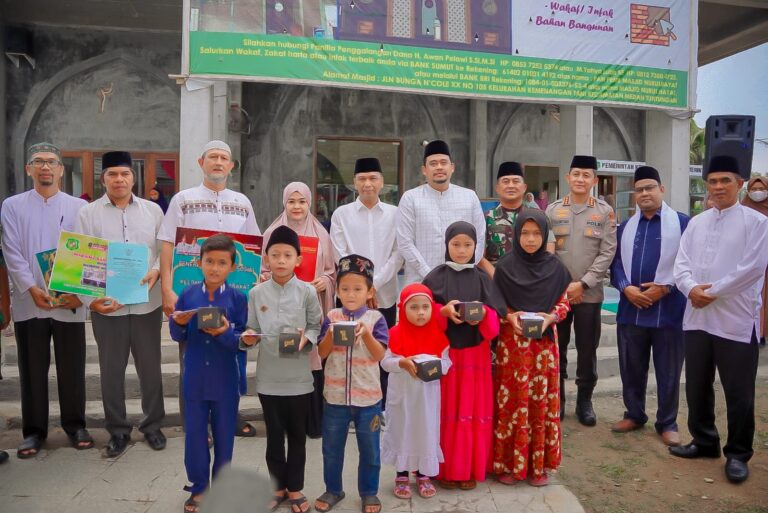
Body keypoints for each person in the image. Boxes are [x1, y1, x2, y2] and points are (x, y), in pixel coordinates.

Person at [671, 155, 768, 484]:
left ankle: (738, 453)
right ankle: (704, 441)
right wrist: (689, 288)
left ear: (740, 184)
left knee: (738, 392)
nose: (717, 187)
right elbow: (680, 263)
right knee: (697, 386)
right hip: (697, 318)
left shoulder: (756, 223)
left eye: (725, 180)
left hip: (735, 322)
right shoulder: (697, 222)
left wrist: (711, 291)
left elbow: (752, 269)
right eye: (712, 181)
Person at [158, 140, 260, 438]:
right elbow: (167, 242)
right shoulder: (182, 199)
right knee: (192, 360)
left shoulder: (242, 202)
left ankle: (227, 418)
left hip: (231, 296)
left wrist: (252, 291)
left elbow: (253, 245)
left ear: (231, 166)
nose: (218, 162)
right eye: (212, 157)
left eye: (224, 158)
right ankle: (196, 425)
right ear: (201, 162)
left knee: (230, 356)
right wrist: (167, 288)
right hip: (191, 294)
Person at [0, 142, 93, 458]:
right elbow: (11, 251)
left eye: (51, 162)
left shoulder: (79, 207)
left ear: (60, 170)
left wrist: (77, 295)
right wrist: (30, 287)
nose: (45, 167)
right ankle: (34, 432)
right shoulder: (12, 206)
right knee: (32, 369)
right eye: (38, 161)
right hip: (31, 302)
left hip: (68, 301)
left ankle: (75, 425)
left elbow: (87, 251)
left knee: (72, 367)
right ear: (29, 169)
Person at [74, 151, 167, 457]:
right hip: (108, 307)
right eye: (112, 174)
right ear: (103, 179)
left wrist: (155, 269)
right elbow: (81, 261)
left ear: (133, 177)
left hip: (146, 305)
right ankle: (118, 430)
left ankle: (153, 425)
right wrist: (91, 301)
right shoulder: (88, 214)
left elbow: (162, 250)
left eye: (124, 174)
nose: (119, 180)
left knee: (151, 369)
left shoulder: (153, 211)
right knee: (111, 370)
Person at [240, 225, 322, 513]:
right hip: (269, 378)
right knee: (274, 435)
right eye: (275, 254)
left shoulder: (308, 292)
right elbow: (251, 326)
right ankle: (277, 487)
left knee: (297, 435)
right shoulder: (256, 293)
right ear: (267, 258)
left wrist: (306, 339)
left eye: (288, 255)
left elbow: (316, 326)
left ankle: (295, 487)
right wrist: (248, 337)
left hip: (299, 377)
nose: (282, 260)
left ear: (298, 259)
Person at [608, 166, 689, 447]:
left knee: (668, 369)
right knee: (631, 367)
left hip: (669, 312)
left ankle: (667, 422)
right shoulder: (625, 227)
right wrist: (625, 287)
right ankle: (634, 413)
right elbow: (615, 263)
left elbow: (689, 265)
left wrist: (666, 287)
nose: (644, 193)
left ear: (661, 190)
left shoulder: (682, 223)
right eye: (639, 189)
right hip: (631, 309)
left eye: (649, 188)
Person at [422, 221, 505, 489]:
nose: (461, 250)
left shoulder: (483, 278)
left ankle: (469, 469)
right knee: (444, 411)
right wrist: (441, 314)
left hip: (476, 358)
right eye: (455, 244)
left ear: (475, 246)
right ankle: (442, 469)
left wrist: (483, 315)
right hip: (446, 357)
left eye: (467, 245)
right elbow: (419, 314)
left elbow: (495, 322)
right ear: (446, 245)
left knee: (472, 411)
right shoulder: (434, 277)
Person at [492, 210, 571, 486]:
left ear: (545, 235)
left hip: (543, 349)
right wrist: (509, 316)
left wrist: (551, 317)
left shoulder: (556, 268)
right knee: (511, 402)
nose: (530, 239)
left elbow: (564, 302)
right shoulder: (503, 267)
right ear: (516, 235)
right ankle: (507, 463)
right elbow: (496, 303)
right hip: (512, 347)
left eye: (536, 233)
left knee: (539, 403)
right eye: (524, 233)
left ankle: (538, 467)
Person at [169, 234, 248, 513]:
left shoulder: (238, 298)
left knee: (225, 436)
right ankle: (199, 487)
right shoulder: (188, 295)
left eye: (222, 263)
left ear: (233, 266)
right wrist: (177, 323)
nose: (215, 268)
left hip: (226, 378)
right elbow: (178, 334)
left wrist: (225, 332)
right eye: (209, 261)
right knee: (195, 435)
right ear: (199, 262)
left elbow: (242, 339)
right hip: (194, 378)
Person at [313, 255, 389, 513]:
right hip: (334, 398)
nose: (351, 294)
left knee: (370, 451)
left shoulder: (376, 319)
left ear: (370, 292)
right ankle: (333, 489)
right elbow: (322, 354)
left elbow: (380, 356)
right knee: (331, 450)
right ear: (338, 292)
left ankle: (369, 492)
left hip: (369, 400)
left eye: (358, 289)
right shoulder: (331, 316)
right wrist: (331, 336)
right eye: (344, 289)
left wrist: (366, 335)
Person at [545, 155, 617, 426]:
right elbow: (547, 252)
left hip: (589, 294)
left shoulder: (604, 211)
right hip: (558, 295)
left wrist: (583, 283)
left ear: (594, 180)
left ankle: (585, 402)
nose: (580, 179)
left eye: (586, 175)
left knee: (588, 350)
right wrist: (564, 286)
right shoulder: (552, 211)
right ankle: (558, 401)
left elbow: (607, 251)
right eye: (576, 174)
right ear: (568, 177)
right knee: (557, 350)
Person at [262, 181, 337, 439]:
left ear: (309, 203)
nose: (296, 206)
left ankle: (311, 423)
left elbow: (331, 271)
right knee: (284, 358)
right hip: (281, 309)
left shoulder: (321, 234)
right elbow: (261, 269)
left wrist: (324, 282)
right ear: (284, 203)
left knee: (309, 359)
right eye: (292, 201)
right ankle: (282, 423)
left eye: (302, 201)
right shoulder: (272, 232)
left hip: (309, 306)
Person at [330, 157, 403, 418]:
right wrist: (361, 290)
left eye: (373, 178)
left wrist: (374, 287)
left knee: (380, 352)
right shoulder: (341, 214)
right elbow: (342, 255)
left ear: (382, 182)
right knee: (348, 351)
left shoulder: (396, 214)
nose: (368, 183)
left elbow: (398, 254)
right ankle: (348, 406)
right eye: (362, 178)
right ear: (354, 183)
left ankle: (378, 408)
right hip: (351, 297)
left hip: (385, 296)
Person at [380, 283, 451, 500]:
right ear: (402, 309)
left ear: (432, 309)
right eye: (414, 307)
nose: (420, 312)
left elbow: (447, 363)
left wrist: (436, 366)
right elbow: (384, 362)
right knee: (402, 431)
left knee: (424, 432)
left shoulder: (439, 335)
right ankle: (401, 475)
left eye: (425, 307)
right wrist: (401, 362)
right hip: (402, 398)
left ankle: (422, 475)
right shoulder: (394, 333)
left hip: (427, 399)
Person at [397, 140, 485, 285]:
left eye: (443, 162)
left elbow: (480, 238)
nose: (439, 167)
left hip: (462, 281)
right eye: (433, 163)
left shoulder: (469, 197)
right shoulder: (410, 198)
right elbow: (405, 243)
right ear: (424, 170)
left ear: (452, 168)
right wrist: (430, 274)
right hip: (420, 283)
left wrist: (465, 269)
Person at [479, 162, 554, 277]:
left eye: (516, 181)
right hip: (496, 284)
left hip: (531, 281)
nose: (511, 185)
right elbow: (480, 257)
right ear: (497, 188)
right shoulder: (485, 217)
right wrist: (497, 277)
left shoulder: (539, 216)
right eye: (505, 181)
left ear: (524, 187)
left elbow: (549, 251)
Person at [741, 176, 768, 347]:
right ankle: (757, 332)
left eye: (761, 189)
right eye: (754, 189)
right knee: (753, 296)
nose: (758, 193)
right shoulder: (742, 209)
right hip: (749, 262)